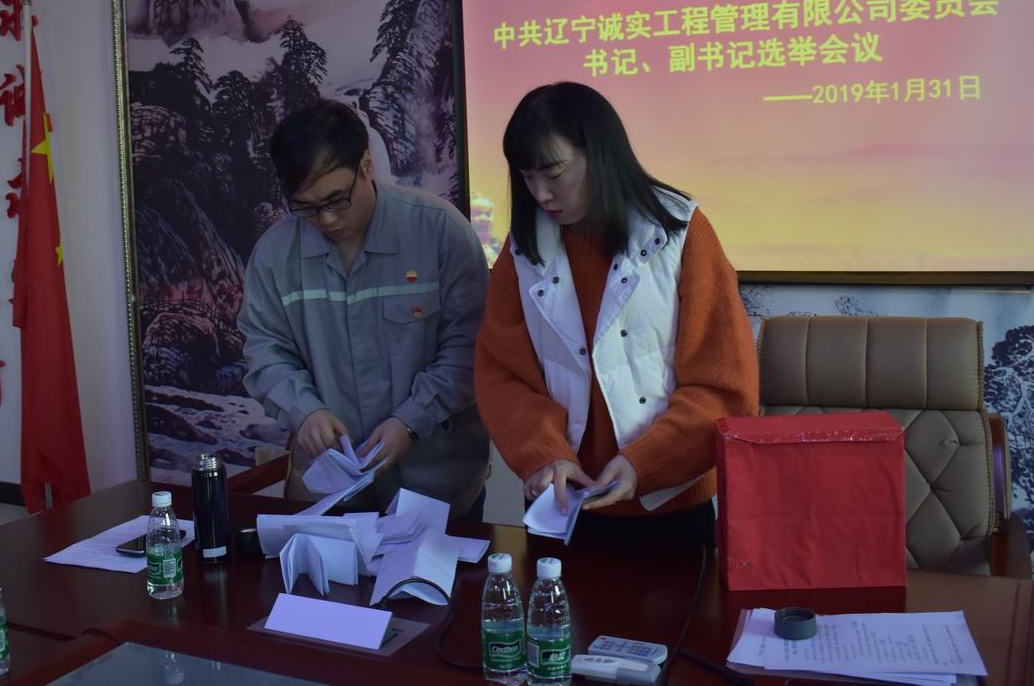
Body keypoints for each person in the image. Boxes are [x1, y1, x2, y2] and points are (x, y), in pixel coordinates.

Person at [474, 82, 759, 545]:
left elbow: (724, 385)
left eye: (554, 173)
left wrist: (646, 461)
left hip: (669, 506)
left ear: (600, 155)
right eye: (527, 178)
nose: (541, 194)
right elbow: (502, 375)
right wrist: (544, 452)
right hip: (561, 503)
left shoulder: (679, 233)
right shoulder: (522, 251)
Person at [240, 100, 491, 519]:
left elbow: (470, 350)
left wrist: (410, 421)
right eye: (306, 206)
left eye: (337, 199)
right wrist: (306, 412)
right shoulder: (274, 255)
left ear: (367, 166)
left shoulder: (439, 231)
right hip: (329, 491)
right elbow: (265, 351)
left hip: (437, 487)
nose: (326, 219)